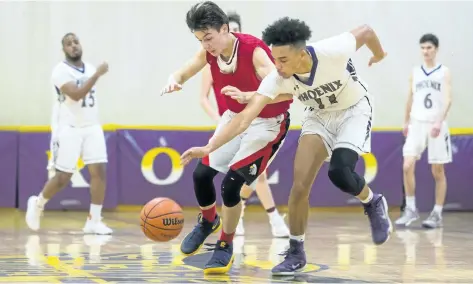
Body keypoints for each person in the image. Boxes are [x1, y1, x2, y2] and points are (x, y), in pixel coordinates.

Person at [180, 17, 394, 275]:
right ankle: (296, 251)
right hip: (318, 116)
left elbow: (367, 31)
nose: (277, 67)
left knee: (339, 172)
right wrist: (209, 147)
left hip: (353, 111)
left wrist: (379, 55)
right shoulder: (276, 78)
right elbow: (245, 119)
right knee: (300, 185)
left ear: (301, 53)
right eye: (274, 58)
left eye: (282, 60)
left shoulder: (332, 50)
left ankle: (372, 202)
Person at [160, 1, 292, 274]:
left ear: (224, 29)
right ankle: (208, 220)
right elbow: (187, 68)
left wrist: (251, 97)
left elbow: (289, 92)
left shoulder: (254, 51)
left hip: (267, 122)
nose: (205, 45)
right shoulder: (210, 52)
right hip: (234, 118)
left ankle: (225, 245)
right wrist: (175, 79)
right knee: (201, 174)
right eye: (200, 39)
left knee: (231, 186)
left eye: (208, 38)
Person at [199, 11, 289, 238]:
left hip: (253, 120)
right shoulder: (212, 61)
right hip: (228, 122)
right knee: (234, 176)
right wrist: (217, 119)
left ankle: (265, 218)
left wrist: (250, 97)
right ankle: (267, 218)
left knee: (255, 176)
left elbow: (278, 88)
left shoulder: (249, 54)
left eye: (238, 30)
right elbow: (202, 97)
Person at [25, 33, 112, 235]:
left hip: (91, 126)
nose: (74, 46)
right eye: (69, 44)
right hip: (69, 128)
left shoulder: (89, 68)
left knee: (99, 172)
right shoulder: (60, 71)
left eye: (76, 42)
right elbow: (76, 94)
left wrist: (94, 73)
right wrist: (97, 75)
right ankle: (38, 203)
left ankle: (94, 220)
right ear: (64, 49)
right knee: (63, 177)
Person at [395, 34, 452, 229]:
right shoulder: (415, 72)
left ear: (436, 49)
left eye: (429, 48)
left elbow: (448, 99)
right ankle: (411, 209)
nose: (426, 51)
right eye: (423, 48)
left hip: (436, 124)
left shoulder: (443, 72)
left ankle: (437, 213)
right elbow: (409, 98)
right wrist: (405, 121)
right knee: (407, 165)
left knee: (437, 170)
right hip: (417, 123)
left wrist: (439, 121)